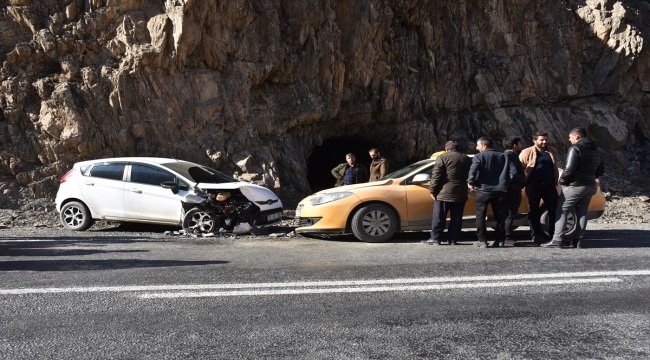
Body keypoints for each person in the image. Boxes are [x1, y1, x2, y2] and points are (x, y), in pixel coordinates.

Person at [541, 128, 605, 248]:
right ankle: (578, 241)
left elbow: (569, 169)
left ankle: (557, 240)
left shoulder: (575, 149)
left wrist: (563, 181)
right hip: (590, 185)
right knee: (582, 212)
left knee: (562, 210)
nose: (569, 140)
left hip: (575, 185)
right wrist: (590, 176)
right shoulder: (599, 151)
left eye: (570, 138)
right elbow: (600, 170)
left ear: (576, 136)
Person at [467, 137, 517, 248]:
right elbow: (513, 172)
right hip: (500, 191)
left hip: (483, 190)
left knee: (480, 217)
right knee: (500, 217)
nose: (476, 147)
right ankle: (500, 240)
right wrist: (505, 184)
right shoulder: (504, 156)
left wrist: (471, 182)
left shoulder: (479, 156)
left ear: (484, 146)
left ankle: (482, 240)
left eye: (478, 145)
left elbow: (473, 171)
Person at [422, 141, 472, 246]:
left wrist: (433, 190)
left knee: (439, 217)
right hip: (461, 192)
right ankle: (453, 239)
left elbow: (436, 175)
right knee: (457, 218)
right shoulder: (467, 159)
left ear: (446, 149)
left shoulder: (442, 158)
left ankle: (436, 238)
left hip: (443, 192)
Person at [519, 131, 560, 245]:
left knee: (553, 210)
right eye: (541, 140)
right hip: (533, 185)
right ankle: (535, 235)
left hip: (550, 185)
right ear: (534, 141)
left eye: (546, 139)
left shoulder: (552, 151)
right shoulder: (527, 152)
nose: (544, 142)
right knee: (533, 210)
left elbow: (555, 166)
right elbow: (520, 167)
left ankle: (553, 234)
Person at [502, 136, 527, 245]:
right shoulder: (510, 156)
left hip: (507, 188)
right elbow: (513, 173)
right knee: (510, 214)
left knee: (505, 214)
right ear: (515, 145)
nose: (522, 146)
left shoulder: (503, 155)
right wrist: (523, 182)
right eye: (520, 144)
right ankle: (507, 237)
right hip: (512, 189)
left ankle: (503, 236)